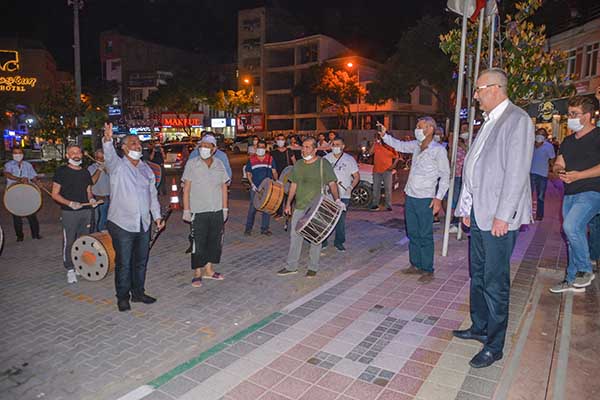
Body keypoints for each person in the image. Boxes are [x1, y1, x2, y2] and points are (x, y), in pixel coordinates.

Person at [453, 68, 534, 369]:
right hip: (480, 213)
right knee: (478, 274)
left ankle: (495, 344)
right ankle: (480, 325)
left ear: (496, 88)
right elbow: (475, 169)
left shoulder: (517, 120)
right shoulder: (487, 122)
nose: (474, 96)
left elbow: (516, 173)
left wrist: (504, 216)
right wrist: (466, 208)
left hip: (499, 217)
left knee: (495, 281)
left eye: (478, 89)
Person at [378, 117, 450, 284]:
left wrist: (438, 199)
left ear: (430, 129)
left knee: (425, 234)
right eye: (417, 126)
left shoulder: (438, 150)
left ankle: (428, 269)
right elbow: (399, 145)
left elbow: (445, 176)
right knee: (412, 232)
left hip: (426, 199)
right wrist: (384, 135)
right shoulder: (417, 146)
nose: (416, 129)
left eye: (420, 126)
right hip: (410, 196)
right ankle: (415, 264)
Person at [102, 124, 165, 312]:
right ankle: (122, 297)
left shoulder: (146, 169)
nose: (137, 146)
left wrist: (157, 217)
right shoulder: (117, 166)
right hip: (122, 223)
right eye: (132, 143)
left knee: (141, 261)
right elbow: (109, 157)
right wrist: (107, 140)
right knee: (124, 262)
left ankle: (138, 293)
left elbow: (152, 195)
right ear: (124, 147)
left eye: (138, 143)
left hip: (143, 223)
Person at [549, 95, 600, 293]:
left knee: (571, 226)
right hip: (570, 192)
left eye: (574, 114)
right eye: (569, 113)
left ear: (587, 116)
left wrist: (579, 175)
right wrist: (559, 170)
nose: (569, 118)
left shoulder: (597, 136)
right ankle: (571, 279)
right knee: (572, 234)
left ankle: (585, 270)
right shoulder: (568, 140)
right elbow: (559, 162)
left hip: (592, 191)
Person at [277, 137, 344, 277]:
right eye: (303, 147)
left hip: (317, 206)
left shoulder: (322, 164)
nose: (304, 149)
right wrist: (288, 203)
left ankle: (313, 267)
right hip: (300, 205)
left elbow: (332, 183)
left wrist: (337, 199)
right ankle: (291, 266)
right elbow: (293, 185)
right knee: (295, 236)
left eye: (307, 147)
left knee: (316, 236)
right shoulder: (299, 164)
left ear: (314, 149)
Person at [182, 135, 229, 288]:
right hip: (198, 210)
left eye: (208, 146)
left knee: (214, 241)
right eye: (202, 146)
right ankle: (197, 272)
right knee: (198, 243)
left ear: (214, 149)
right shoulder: (192, 164)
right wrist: (186, 209)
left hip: (216, 209)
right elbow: (187, 188)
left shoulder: (219, 164)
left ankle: (209, 270)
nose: (204, 149)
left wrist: (225, 208)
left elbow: (223, 187)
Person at [51, 144, 97, 284]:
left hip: (86, 211)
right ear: (67, 156)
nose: (76, 155)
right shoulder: (61, 171)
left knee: (84, 240)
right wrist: (70, 203)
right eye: (73, 153)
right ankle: (70, 269)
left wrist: (91, 199)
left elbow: (88, 190)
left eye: (78, 152)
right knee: (69, 241)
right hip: (69, 213)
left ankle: (80, 265)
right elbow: (55, 194)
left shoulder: (85, 172)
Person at [323, 137, 360, 251]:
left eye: (338, 144)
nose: (335, 147)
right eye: (333, 144)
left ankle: (339, 242)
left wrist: (351, 187)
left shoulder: (349, 159)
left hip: (343, 194)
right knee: (326, 218)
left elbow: (356, 176)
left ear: (343, 146)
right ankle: (323, 241)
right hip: (328, 194)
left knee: (340, 219)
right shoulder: (325, 159)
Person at [3, 148, 42, 241]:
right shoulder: (8, 165)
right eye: (15, 153)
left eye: (19, 153)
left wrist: (37, 182)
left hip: (27, 193)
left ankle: (35, 234)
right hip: (13, 193)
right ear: (12, 154)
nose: (17, 154)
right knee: (16, 215)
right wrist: (19, 179)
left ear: (23, 154)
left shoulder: (27, 165)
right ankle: (19, 236)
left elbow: (33, 176)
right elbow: (7, 174)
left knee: (31, 214)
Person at [244, 140, 278, 236]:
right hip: (255, 188)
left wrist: (277, 182)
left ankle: (264, 229)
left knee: (267, 208)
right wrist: (252, 184)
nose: (261, 149)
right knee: (252, 208)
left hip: (268, 188)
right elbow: (248, 173)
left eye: (263, 147)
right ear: (256, 148)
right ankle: (248, 228)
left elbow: (274, 171)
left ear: (266, 148)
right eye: (259, 147)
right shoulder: (251, 159)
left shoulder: (270, 159)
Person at [529, 128, 556, 221]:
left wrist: (553, 170)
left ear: (545, 137)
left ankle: (539, 215)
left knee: (540, 197)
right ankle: (527, 215)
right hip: (530, 173)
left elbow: (552, 159)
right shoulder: (530, 145)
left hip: (542, 174)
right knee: (528, 196)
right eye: (538, 134)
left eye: (542, 134)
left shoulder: (549, 146)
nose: (539, 136)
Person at [369, 136, 398, 211]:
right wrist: (374, 143)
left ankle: (388, 205)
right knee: (376, 188)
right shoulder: (377, 145)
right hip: (377, 170)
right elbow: (370, 153)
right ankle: (375, 204)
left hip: (387, 170)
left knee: (388, 188)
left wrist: (393, 166)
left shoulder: (390, 147)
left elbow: (397, 157)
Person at [448, 129, 469, 233]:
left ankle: (460, 222)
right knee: (455, 199)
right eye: (463, 129)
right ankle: (456, 221)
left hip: (467, 176)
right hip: (456, 175)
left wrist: (462, 144)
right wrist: (451, 146)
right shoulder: (456, 143)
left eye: (466, 129)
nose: (464, 131)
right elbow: (450, 157)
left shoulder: (473, 141)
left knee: (465, 200)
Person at [271, 134, 296, 218]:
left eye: (282, 139)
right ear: (276, 141)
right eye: (279, 139)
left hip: (288, 175)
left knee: (289, 194)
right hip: (277, 175)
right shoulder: (273, 152)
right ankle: (279, 213)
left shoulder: (289, 151)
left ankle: (288, 211)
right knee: (279, 195)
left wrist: (295, 172)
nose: (280, 141)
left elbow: (294, 162)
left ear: (285, 141)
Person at [88, 149, 110, 232]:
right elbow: (92, 181)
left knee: (108, 221)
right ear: (95, 158)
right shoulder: (91, 168)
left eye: (102, 158)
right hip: (98, 198)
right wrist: (99, 169)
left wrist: (107, 170)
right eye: (98, 158)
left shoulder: (110, 166)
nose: (100, 160)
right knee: (98, 221)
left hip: (110, 198)